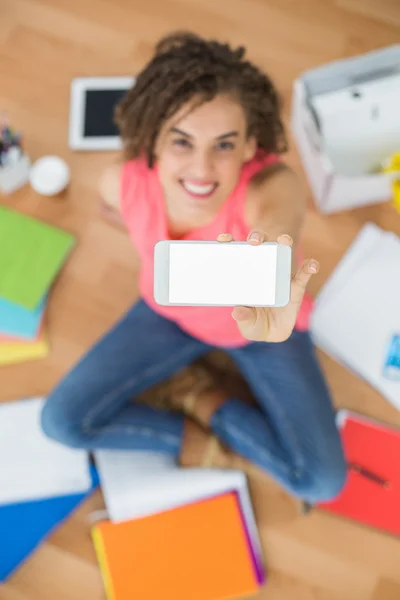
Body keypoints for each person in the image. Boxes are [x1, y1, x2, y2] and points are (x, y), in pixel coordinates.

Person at [41, 32, 346, 503]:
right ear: (154, 141)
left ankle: (205, 398)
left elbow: (277, 238)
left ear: (249, 146)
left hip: (263, 330)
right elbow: (113, 210)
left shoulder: (271, 185)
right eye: (182, 142)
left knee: (323, 482)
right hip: (167, 315)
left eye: (224, 145)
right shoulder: (121, 182)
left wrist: (259, 256)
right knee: (61, 422)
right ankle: (196, 403)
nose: (201, 171)